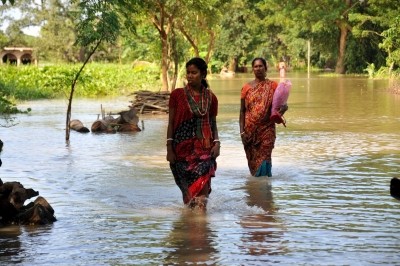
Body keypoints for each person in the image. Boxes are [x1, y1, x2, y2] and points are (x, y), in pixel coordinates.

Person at [166, 57, 220, 209]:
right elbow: (170, 123)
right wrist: (169, 149)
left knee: (202, 194)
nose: (190, 76)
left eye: (194, 73)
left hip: (205, 150)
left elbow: (213, 123)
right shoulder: (177, 95)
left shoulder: (211, 98)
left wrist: (217, 144)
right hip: (181, 151)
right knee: (190, 199)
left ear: (203, 74)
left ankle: (202, 226)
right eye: (188, 73)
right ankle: (192, 226)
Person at [239, 57, 287, 177]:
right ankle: (256, 191)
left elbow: (278, 107)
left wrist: (284, 109)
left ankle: (265, 186)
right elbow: (242, 111)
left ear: (265, 68)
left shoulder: (273, 86)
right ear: (252, 69)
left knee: (265, 155)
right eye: (256, 66)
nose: (258, 68)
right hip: (250, 131)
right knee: (253, 163)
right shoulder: (246, 88)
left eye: (261, 66)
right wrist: (242, 132)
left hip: (267, 129)